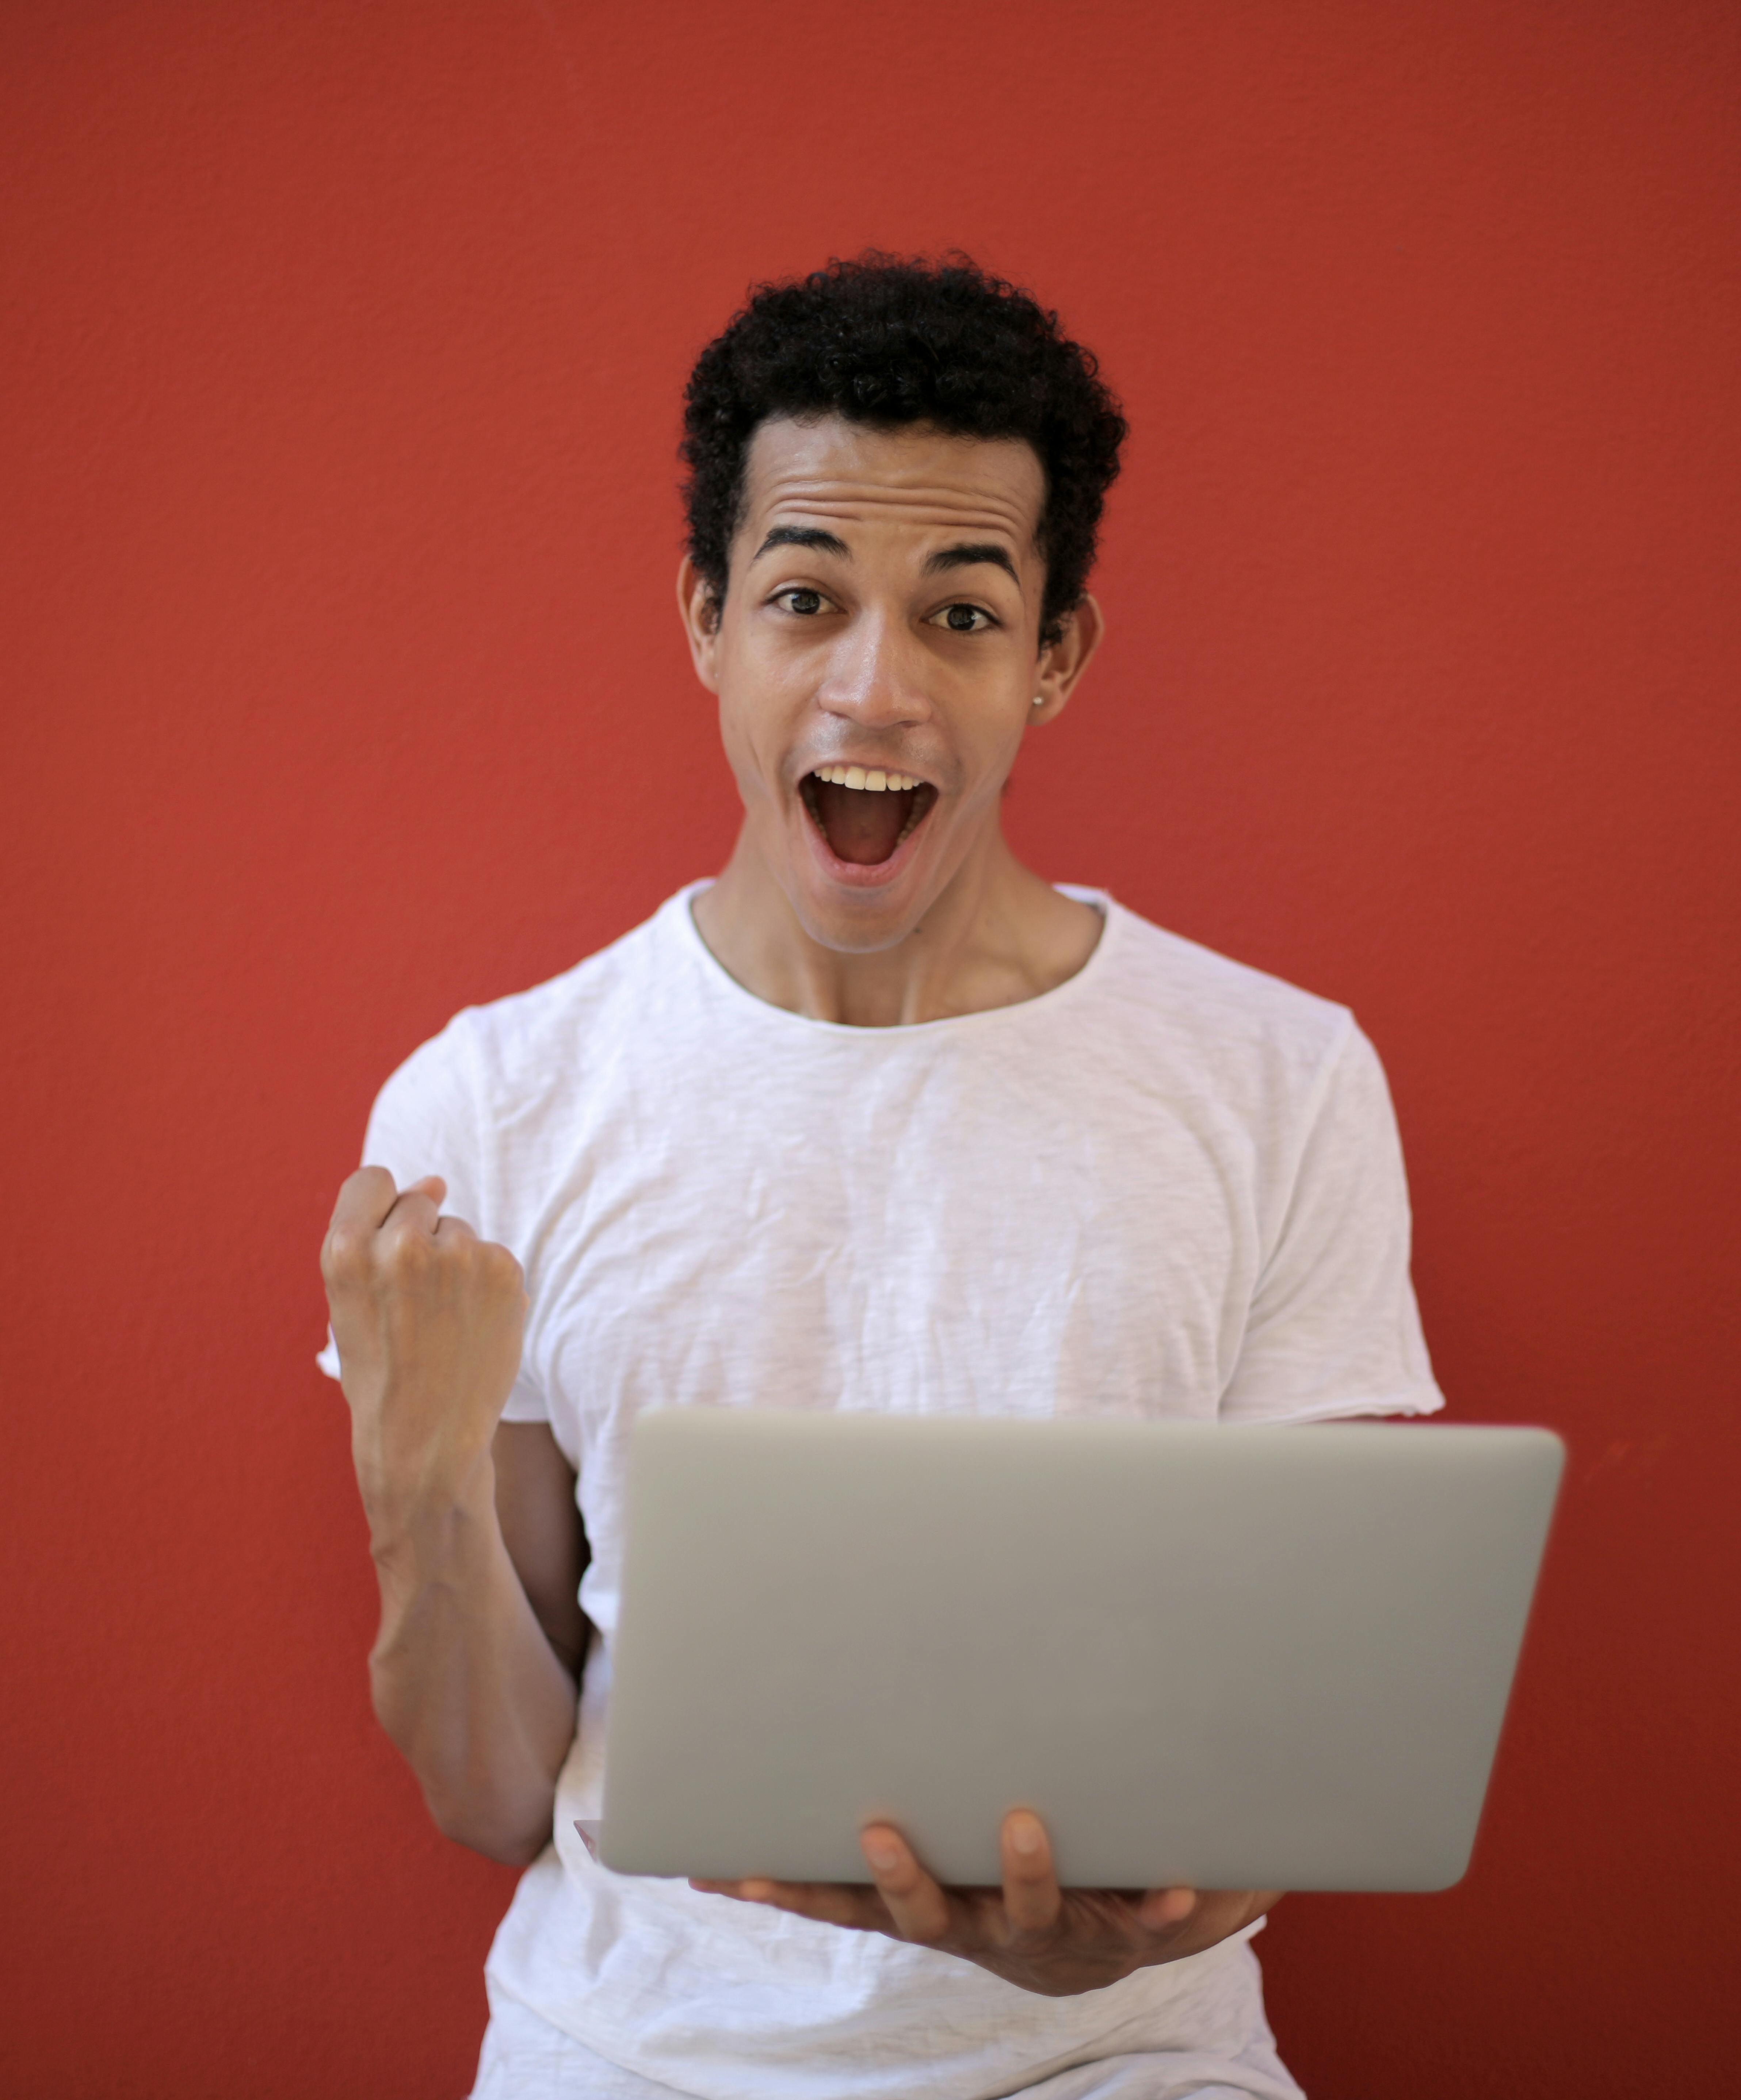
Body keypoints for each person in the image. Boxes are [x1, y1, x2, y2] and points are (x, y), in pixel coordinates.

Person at [318, 254, 1444, 2100]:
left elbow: (1292, 1756)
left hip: (1126, 2057)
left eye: (961, 614)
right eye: (803, 598)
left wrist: (1151, 1928)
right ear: (706, 623)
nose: (873, 685)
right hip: (633, 2051)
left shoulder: (1280, 1077)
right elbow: (492, 1794)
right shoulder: (491, 1100)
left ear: (1054, 656)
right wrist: (408, 1471)